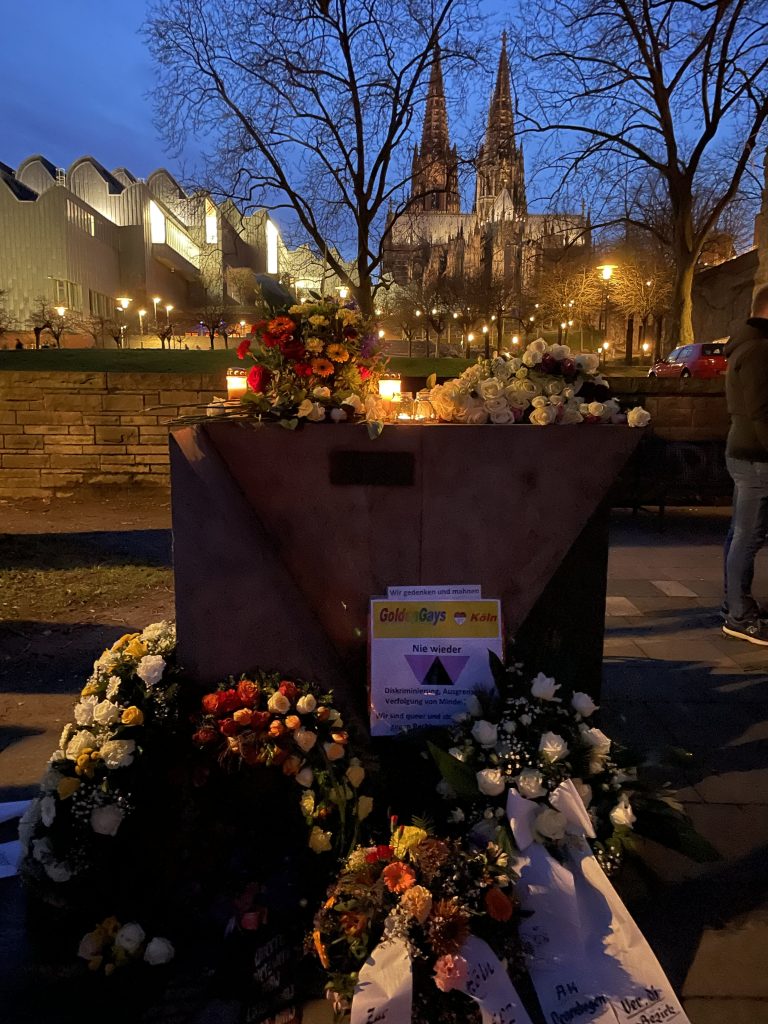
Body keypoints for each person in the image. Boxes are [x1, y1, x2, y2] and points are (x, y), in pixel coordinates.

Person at [722, 285, 768, 644]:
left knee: (742, 533)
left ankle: (735, 604)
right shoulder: (758, 350)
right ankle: (739, 613)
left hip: (746, 451)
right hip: (756, 456)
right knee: (747, 536)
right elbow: (761, 412)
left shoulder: (746, 344)